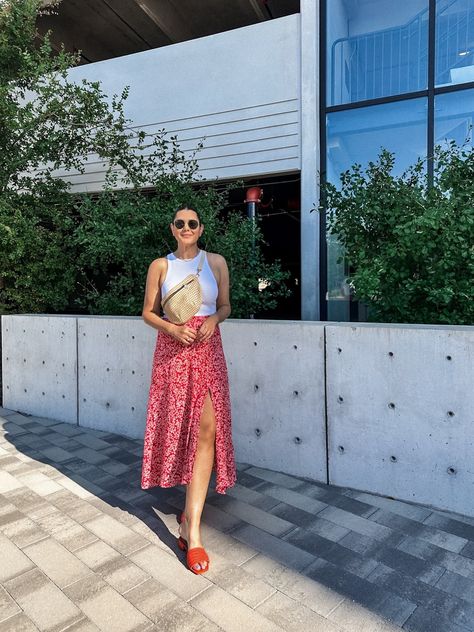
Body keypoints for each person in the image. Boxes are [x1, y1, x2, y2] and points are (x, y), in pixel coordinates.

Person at [140, 204, 237, 574]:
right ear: (172, 228)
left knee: (208, 431)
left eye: (192, 223)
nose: (186, 227)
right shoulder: (160, 266)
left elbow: (226, 305)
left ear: (200, 229)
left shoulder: (216, 262)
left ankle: (190, 526)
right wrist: (172, 329)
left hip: (209, 347)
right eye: (180, 223)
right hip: (174, 349)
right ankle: (190, 525)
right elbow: (147, 312)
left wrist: (213, 318)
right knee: (184, 428)